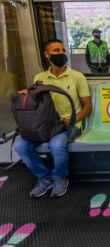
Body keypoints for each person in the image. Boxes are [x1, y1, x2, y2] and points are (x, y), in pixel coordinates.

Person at [15, 39, 92, 198]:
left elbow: (87, 107)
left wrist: (72, 119)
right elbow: (35, 104)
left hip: (69, 124)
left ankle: (60, 177)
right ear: (47, 54)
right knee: (21, 146)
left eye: (63, 51)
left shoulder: (77, 77)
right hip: (44, 124)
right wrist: (25, 96)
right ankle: (44, 177)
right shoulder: (40, 78)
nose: (61, 54)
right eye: (56, 51)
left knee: (57, 145)